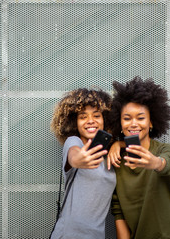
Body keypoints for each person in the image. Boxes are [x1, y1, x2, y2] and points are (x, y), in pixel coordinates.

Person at [107, 76, 170, 239]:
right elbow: (118, 209)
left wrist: (155, 163)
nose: (133, 124)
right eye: (127, 118)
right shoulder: (116, 159)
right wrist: (118, 144)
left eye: (141, 118)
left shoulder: (165, 150)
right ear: (120, 123)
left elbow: (167, 164)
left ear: (151, 122)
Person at [50, 88, 116, 239]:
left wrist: (120, 145)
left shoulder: (110, 155)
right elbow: (74, 156)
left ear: (105, 119)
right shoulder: (74, 142)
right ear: (75, 122)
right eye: (83, 116)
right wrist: (79, 159)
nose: (90, 120)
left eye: (96, 115)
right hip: (69, 234)